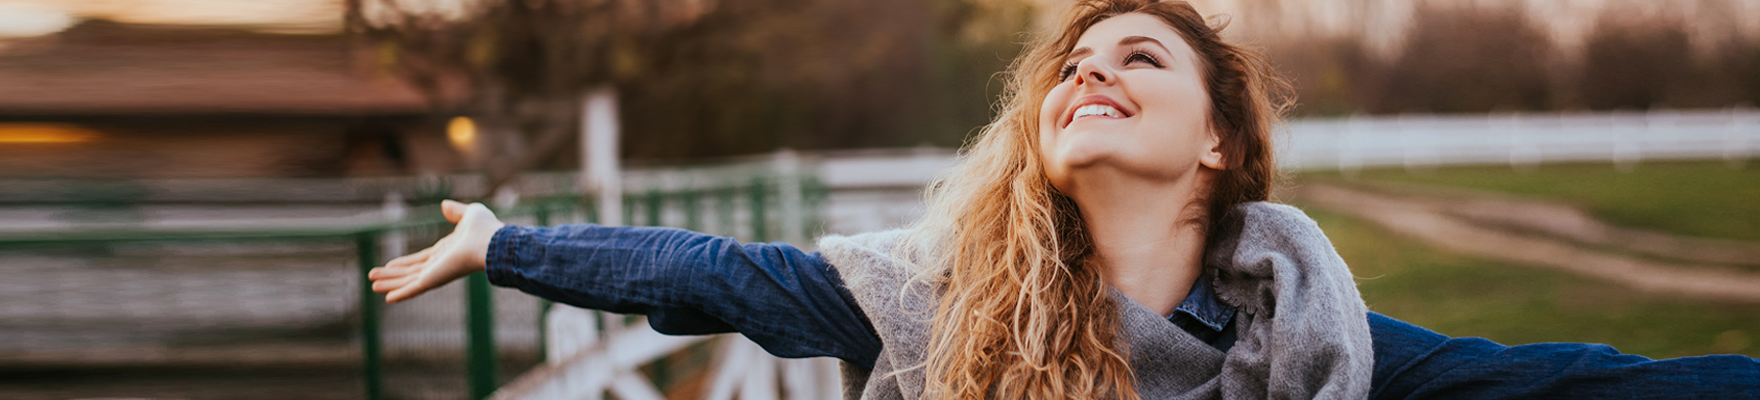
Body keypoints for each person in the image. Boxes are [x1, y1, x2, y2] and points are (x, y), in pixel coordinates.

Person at [366, 0, 1760, 398]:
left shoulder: (1313, 352)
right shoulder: (930, 312)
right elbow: (712, 272)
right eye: (1073, 65)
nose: (1089, 74)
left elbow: (1576, 381)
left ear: (1219, 139)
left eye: (1137, 58)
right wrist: (506, 246)